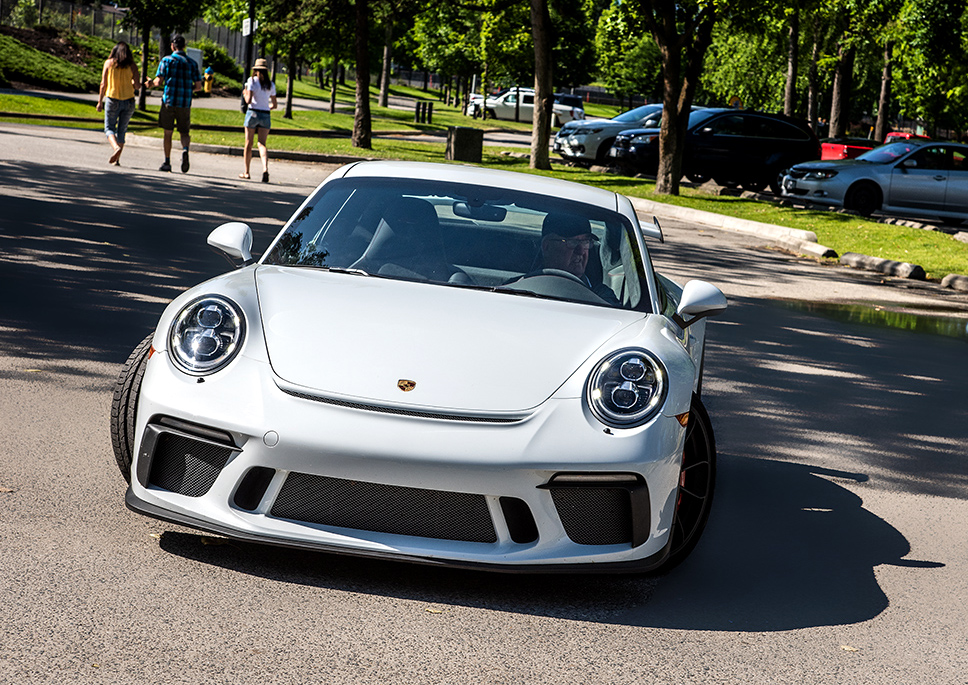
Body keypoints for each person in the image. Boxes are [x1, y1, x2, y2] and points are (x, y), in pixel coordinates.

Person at [144, 34, 201, 173]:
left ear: (172, 46)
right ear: (184, 46)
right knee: (184, 132)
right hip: (185, 103)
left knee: (168, 133)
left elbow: (159, 82)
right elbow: (198, 86)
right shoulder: (192, 63)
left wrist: (150, 83)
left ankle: (167, 161)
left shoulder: (167, 60)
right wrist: (188, 89)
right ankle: (185, 150)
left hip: (169, 101)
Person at [539, 213, 619, 304]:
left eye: (585, 241)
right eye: (572, 242)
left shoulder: (603, 298)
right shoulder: (522, 289)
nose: (581, 251)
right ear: (547, 246)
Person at [95, 41, 140, 166]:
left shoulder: (109, 63)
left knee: (109, 128)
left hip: (112, 99)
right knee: (122, 130)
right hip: (129, 101)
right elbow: (137, 86)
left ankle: (115, 148)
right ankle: (117, 159)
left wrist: (100, 101)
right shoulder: (132, 66)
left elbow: (103, 84)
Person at [239, 58, 278, 183]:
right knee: (262, 143)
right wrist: (267, 108)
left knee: (248, 143)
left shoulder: (251, 81)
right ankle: (265, 168)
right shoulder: (271, 84)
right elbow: (275, 104)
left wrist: (245, 93)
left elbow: (248, 100)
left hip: (253, 112)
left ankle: (247, 172)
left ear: (255, 70)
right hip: (265, 114)